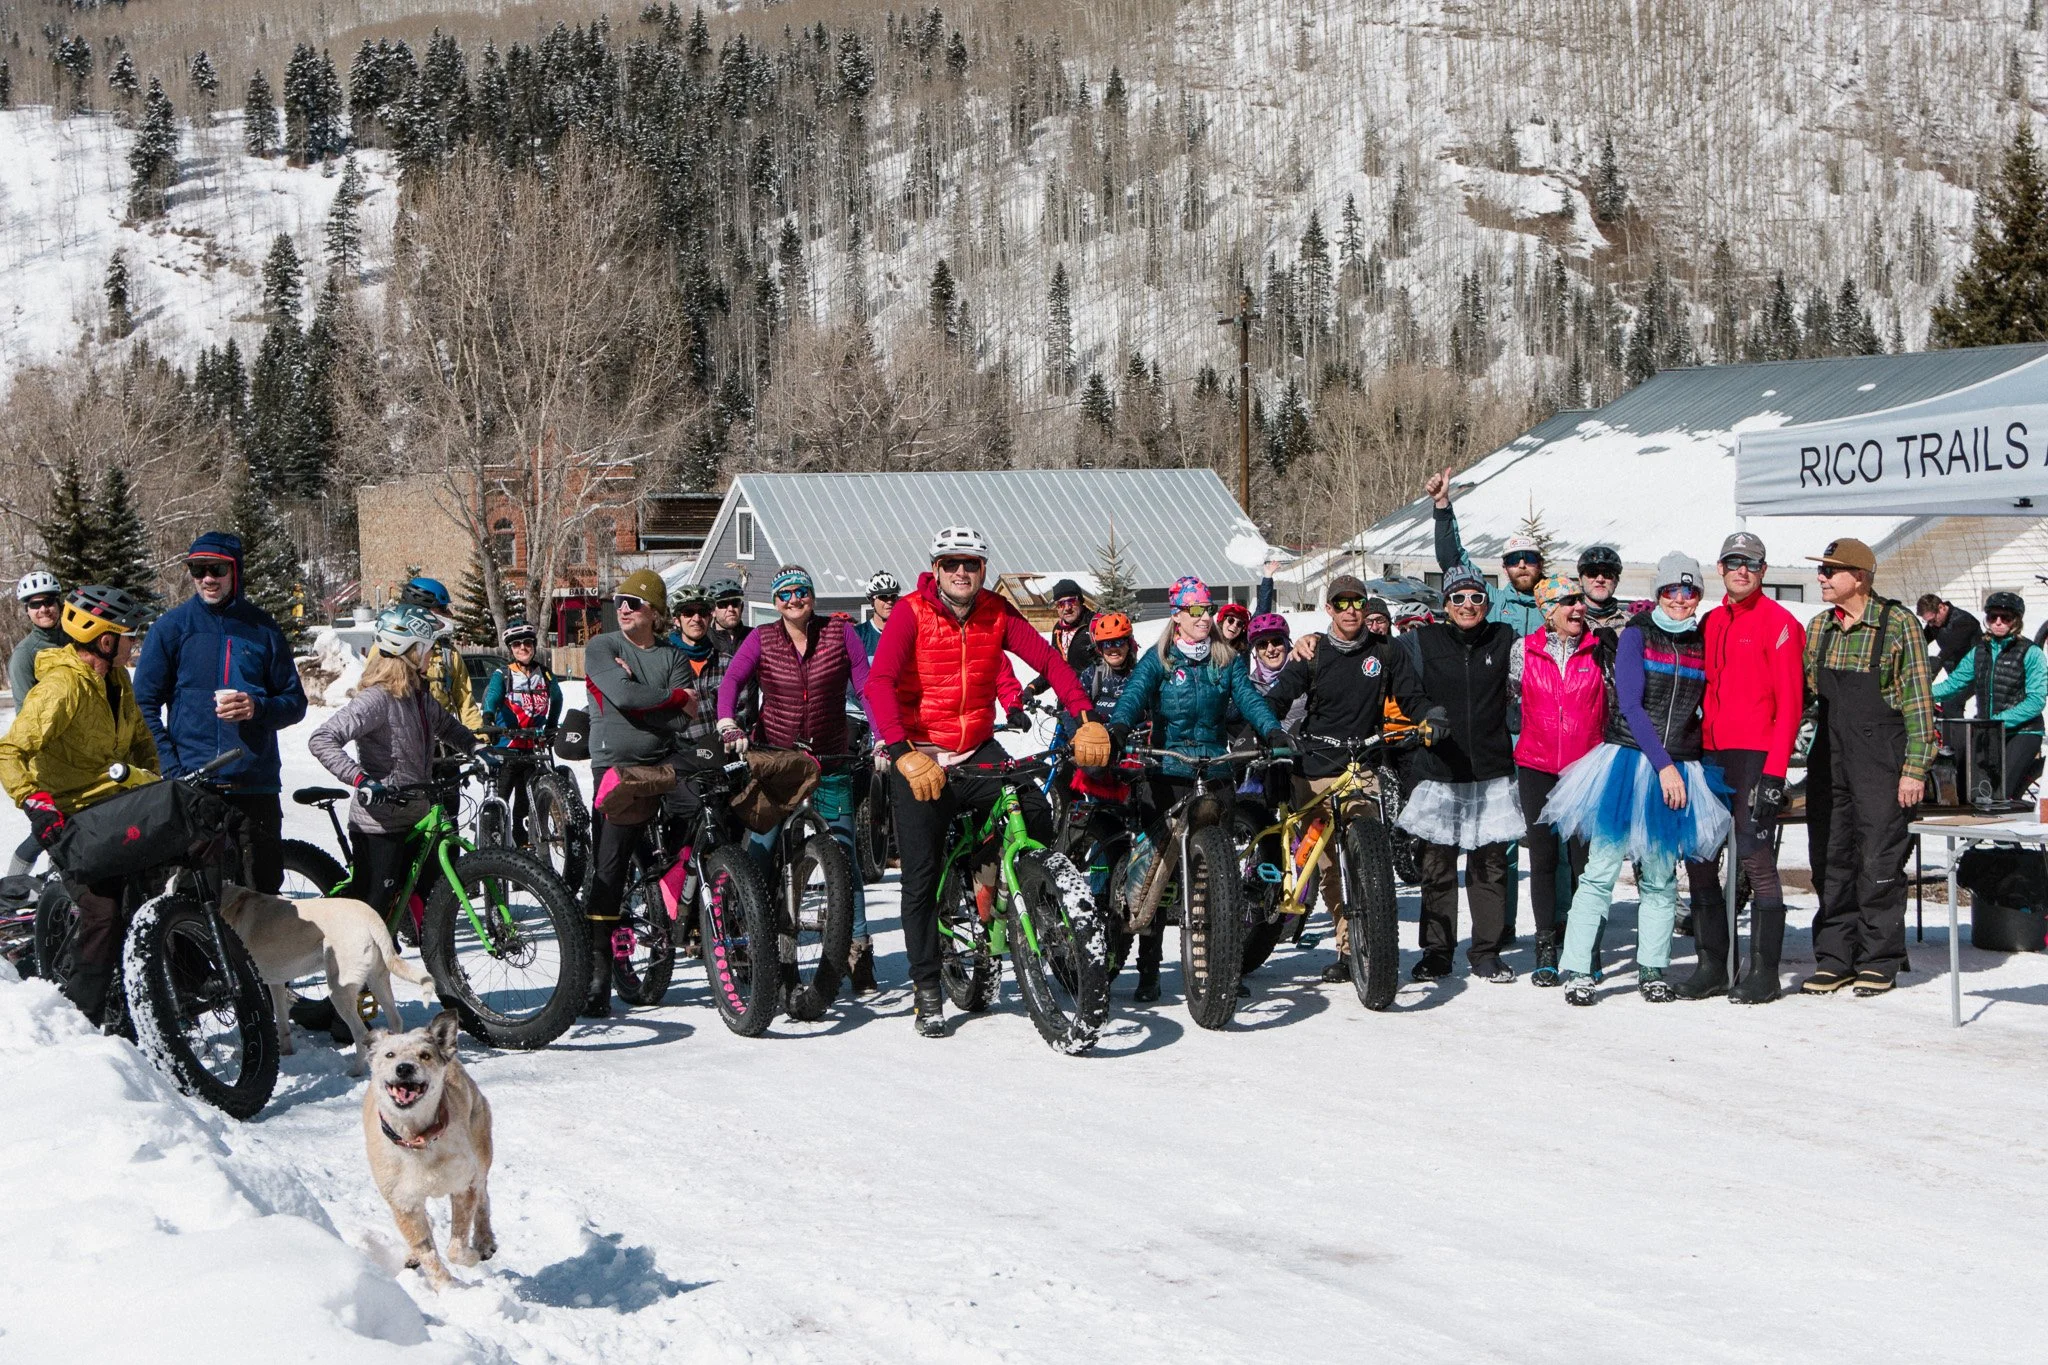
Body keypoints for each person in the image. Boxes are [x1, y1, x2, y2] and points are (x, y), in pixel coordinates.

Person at [865, 526, 1109, 1037]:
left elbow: (1047, 660)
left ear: (982, 569)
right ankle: (927, 988)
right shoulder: (910, 612)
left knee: (1032, 811)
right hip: (922, 755)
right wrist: (902, 750)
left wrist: (1085, 716)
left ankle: (1001, 881)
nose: (961, 571)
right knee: (921, 878)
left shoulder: (996, 611)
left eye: (971, 563)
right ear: (935, 568)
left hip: (976, 748)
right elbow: (879, 683)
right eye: (951, 562)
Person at [1543, 554, 1730, 1005]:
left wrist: (1683, 763)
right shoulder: (1636, 635)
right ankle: (1578, 967)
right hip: (1629, 762)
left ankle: (1653, 966)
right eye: (1671, 591)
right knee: (1601, 871)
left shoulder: (1703, 641)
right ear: (1658, 593)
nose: (1680, 600)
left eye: (1689, 591)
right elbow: (1630, 703)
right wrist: (1663, 764)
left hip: (1681, 767)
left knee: (1662, 876)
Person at [1109, 576, 1288, 1002]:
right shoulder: (1159, 659)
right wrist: (1117, 726)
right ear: (1177, 616)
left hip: (1214, 770)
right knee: (1158, 873)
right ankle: (1148, 971)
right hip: (1168, 772)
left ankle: (1219, 964)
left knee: (1214, 878)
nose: (1205, 617)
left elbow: (1249, 699)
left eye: (1207, 609)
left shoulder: (1226, 659)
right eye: (1196, 611)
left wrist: (1272, 729)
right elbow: (1133, 696)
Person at [1261, 575, 1437, 985]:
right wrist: (1271, 730)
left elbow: (1411, 697)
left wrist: (1430, 716)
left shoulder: (1386, 652)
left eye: (1357, 602)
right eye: (1341, 603)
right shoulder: (1313, 652)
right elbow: (1277, 698)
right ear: (1329, 609)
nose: (1350, 610)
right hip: (1316, 767)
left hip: (1362, 765)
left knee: (1365, 853)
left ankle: (1371, 943)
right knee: (1327, 868)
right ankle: (1346, 947)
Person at [715, 564, 878, 995]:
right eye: (784, 594)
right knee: (763, 850)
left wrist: (882, 736)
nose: (793, 599)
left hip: (830, 757)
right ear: (775, 603)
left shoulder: (840, 634)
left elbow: (865, 688)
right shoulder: (762, 638)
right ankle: (755, 942)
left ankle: (857, 948)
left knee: (844, 856)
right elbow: (732, 679)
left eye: (801, 591)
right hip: (778, 761)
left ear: (813, 596)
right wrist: (728, 722)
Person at [0, 585, 159, 1021]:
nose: (134, 643)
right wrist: (36, 802)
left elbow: (142, 744)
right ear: (105, 641)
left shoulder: (118, 679)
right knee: (103, 914)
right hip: (72, 818)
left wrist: (154, 784)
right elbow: (9, 752)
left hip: (119, 808)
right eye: (129, 635)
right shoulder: (61, 687)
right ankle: (81, 1018)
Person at [133, 532, 309, 895]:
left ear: (235, 571)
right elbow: (144, 706)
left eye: (216, 569)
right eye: (198, 569)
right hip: (195, 785)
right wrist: (172, 767)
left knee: (261, 897)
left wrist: (258, 707)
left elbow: (295, 701)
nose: (207, 578)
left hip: (254, 785)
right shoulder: (171, 629)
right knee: (196, 897)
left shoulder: (263, 629)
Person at [1802, 538, 1937, 996]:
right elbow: (1804, 698)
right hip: (1829, 761)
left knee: (1878, 859)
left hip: (1882, 761)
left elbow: (1920, 704)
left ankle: (1879, 958)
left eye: (1830, 571)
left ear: (1859, 577)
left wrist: (1915, 769)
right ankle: (1836, 957)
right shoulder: (1820, 628)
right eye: (1821, 570)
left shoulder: (1898, 625)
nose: (1821, 577)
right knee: (1831, 858)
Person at [1678, 532, 1806, 1003]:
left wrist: (1774, 775)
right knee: (1700, 858)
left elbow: (1791, 707)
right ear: (1721, 568)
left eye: (1751, 564)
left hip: (1754, 757)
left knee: (1754, 857)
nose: (1742, 571)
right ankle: (1712, 964)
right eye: (1734, 562)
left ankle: (1764, 972)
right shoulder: (1709, 621)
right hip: (1709, 755)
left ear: (1763, 571)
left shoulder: (1781, 624)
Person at [577, 569, 702, 1017]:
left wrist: (642, 697)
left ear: (654, 611)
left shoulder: (672, 655)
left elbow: (682, 719)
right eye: (619, 601)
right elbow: (626, 698)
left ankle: (673, 884)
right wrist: (666, 697)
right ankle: (597, 978)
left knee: (709, 810)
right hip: (616, 767)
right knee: (608, 869)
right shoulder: (603, 647)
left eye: (633, 601)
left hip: (666, 760)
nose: (623, 608)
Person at [1392, 563, 1523, 983]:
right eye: (1459, 598)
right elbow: (1397, 678)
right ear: (1445, 603)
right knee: (1438, 867)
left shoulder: (1504, 639)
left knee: (1489, 867)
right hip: (1441, 769)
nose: (1468, 605)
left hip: (1490, 770)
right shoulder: (1422, 641)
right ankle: (1437, 952)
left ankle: (1486, 951)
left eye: (1477, 597)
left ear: (1487, 602)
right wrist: (1425, 714)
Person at [308, 604, 478, 924]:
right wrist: (362, 780)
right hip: (379, 822)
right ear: (408, 650)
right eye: (427, 648)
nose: (432, 656)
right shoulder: (377, 699)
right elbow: (322, 738)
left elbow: (449, 727)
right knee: (372, 913)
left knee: (422, 897)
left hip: (414, 815)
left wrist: (477, 748)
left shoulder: (419, 696)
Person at [1512, 575, 1605, 987]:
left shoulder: (1600, 650)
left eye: (1580, 600)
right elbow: (1512, 702)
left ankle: (1587, 949)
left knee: (1586, 865)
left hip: (1586, 769)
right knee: (1544, 860)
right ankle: (1546, 947)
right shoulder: (1524, 651)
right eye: (1568, 602)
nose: (1578, 608)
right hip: (1536, 765)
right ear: (1548, 610)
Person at [1931, 590, 2045, 801]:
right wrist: (1919, 695)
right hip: (1988, 731)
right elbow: (1954, 684)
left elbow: (2035, 701)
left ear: (2016, 621)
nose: (1998, 622)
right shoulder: (1979, 651)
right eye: (1993, 617)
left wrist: (1998, 721)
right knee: (1972, 790)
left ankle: (2012, 828)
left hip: (2022, 731)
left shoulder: (2031, 652)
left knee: (2000, 791)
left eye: (2006, 618)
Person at [1426, 466, 1546, 636]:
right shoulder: (1491, 600)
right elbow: (1452, 560)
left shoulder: (1557, 605)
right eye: (1513, 560)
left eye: (1529, 558)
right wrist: (1441, 504)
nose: (1521, 565)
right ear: (1504, 568)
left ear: (1540, 564)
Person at [480, 619, 563, 845]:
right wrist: (488, 719)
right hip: (507, 749)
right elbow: (492, 697)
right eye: (517, 645)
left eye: (527, 643)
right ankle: (494, 848)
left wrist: (551, 728)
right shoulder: (504, 674)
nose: (523, 648)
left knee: (526, 809)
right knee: (500, 804)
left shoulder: (544, 675)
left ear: (534, 645)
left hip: (533, 750)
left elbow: (557, 698)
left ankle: (524, 851)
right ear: (511, 649)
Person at [7, 570, 68, 876]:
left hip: (82, 752)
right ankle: (12, 888)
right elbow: (25, 714)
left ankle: (60, 885)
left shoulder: (74, 640)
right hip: (46, 757)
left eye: (49, 602)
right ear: (27, 611)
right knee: (49, 827)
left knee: (75, 824)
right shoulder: (24, 655)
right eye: (35, 604)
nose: (44, 609)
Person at [365, 577, 482, 732]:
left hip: (443, 743)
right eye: (442, 609)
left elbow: (465, 702)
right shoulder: (385, 649)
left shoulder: (448, 654)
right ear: (422, 610)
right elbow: (369, 697)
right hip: (401, 742)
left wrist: (479, 739)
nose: (449, 614)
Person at [1024, 579, 1097, 705]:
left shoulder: (1095, 625)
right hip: (1066, 701)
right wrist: (1033, 687)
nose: (1067, 608)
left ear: (1080, 601)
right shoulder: (1058, 630)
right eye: (1061, 604)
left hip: (1092, 702)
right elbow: (1055, 668)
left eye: (1071, 601)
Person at [1918, 592, 1983, 718]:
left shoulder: (1964, 621)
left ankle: (1957, 736)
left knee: (1950, 702)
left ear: (1941, 608)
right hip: (1955, 674)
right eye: (1928, 622)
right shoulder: (1936, 624)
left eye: (1932, 620)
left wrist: (1938, 660)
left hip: (1975, 672)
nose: (1931, 624)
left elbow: (1951, 646)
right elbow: (1921, 640)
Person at [1577, 545, 1629, 631]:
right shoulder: (1569, 620)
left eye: (1607, 574)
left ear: (1616, 581)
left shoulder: (1631, 623)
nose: (1600, 579)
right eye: (1592, 573)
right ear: (1580, 580)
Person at [855, 570, 900, 660]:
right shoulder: (859, 634)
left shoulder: (906, 632)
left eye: (893, 596)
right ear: (872, 601)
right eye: (883, 597)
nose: (889, 601)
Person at [708, 578, 751, 657]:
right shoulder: (704, 641)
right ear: (713, 611)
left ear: (741, 607)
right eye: (723, 604)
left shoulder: (754, 637)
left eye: (735, 603)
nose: (731, 609)